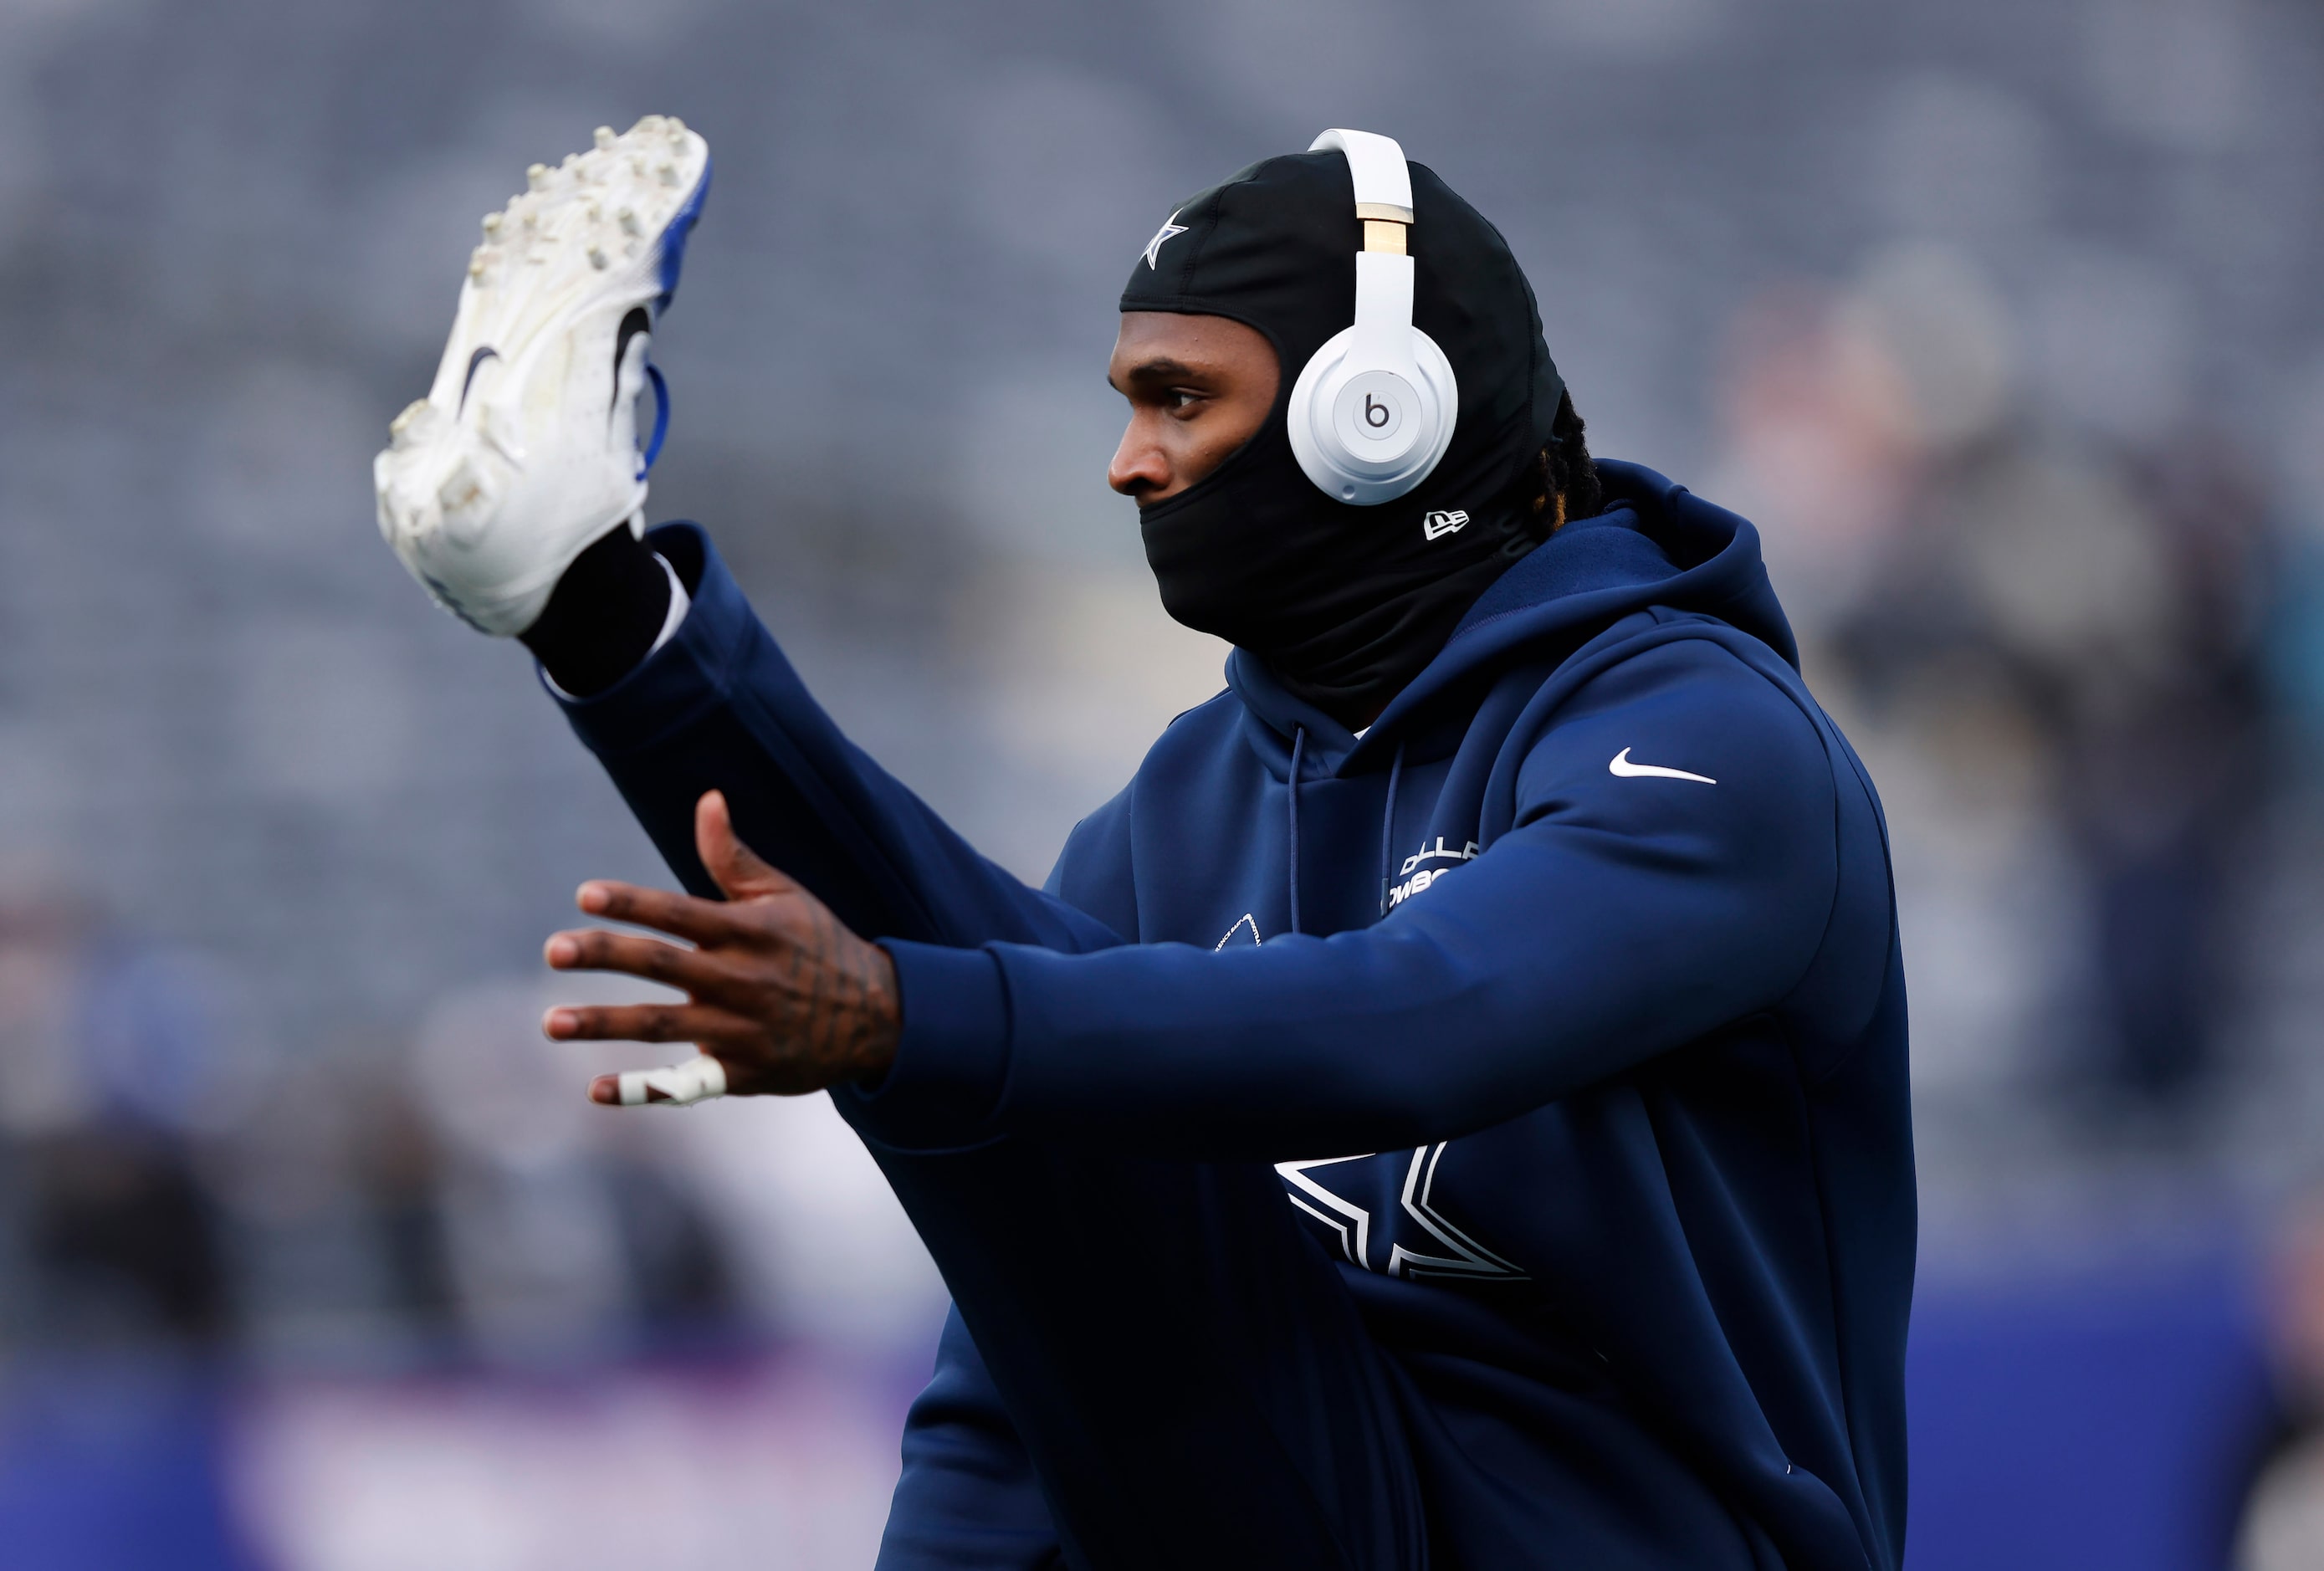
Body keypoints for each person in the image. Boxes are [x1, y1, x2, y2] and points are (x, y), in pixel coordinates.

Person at [374, 117, 1914, 1571]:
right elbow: (1032, 1331)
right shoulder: (1178, 804)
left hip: (1634, 1538)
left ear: (1380, 417)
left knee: (990, 1022)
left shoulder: (1716, 741)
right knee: (1025, 1104)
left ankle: (618, 626)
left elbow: (1426, 1013)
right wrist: (935, 1027)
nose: (1127, 459)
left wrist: (916, 1014)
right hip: (1309, 1509)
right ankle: (601, 617)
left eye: (1179, 397)